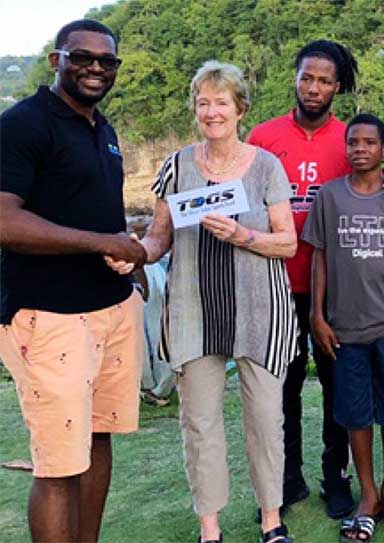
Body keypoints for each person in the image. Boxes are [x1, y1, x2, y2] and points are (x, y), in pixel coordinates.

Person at [117, 61, 299, 543]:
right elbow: (159, 240)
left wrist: (243, 234)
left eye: (221, 102)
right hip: (193, 310)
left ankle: (271, 520)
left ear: (239, 109)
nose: (211, 111)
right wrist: (133, 255)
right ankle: (209, 528)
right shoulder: (176, 166)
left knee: (265, 420)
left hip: (260, 310)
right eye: (203, 102)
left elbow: (288, 243)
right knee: (199, 423)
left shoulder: (266, 166)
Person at [248, 40, 384, 519]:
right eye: (306, 77)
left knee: (342, 386)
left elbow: (377, 177)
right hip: (274, 282)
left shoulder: (348, 140)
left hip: (335, 291)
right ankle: (286, 478)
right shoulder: (263, 137)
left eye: (324, 80)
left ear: (337, 86)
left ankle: (336, 476)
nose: (313, 87)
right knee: (283, 385)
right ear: (295, 78)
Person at [0, 19, 146, 542]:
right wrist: (104, 243)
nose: (94, 68)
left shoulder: (101, 128)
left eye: (106, 61)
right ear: (55, 59)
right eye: (81, 57)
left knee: (98, 441)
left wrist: (129, 259)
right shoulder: (23, 124)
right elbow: (5, 222)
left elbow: (94, 216)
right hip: (50, 316)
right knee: (59, 464)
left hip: (110, 309)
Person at [302, 113, 384, 542]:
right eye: (353, 142)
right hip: (345, 327)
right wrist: (317, 315)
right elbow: (318, 256)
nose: (359, 149)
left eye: (369, 142)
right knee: (356, 415)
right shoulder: (330, 197)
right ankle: (368, 495)